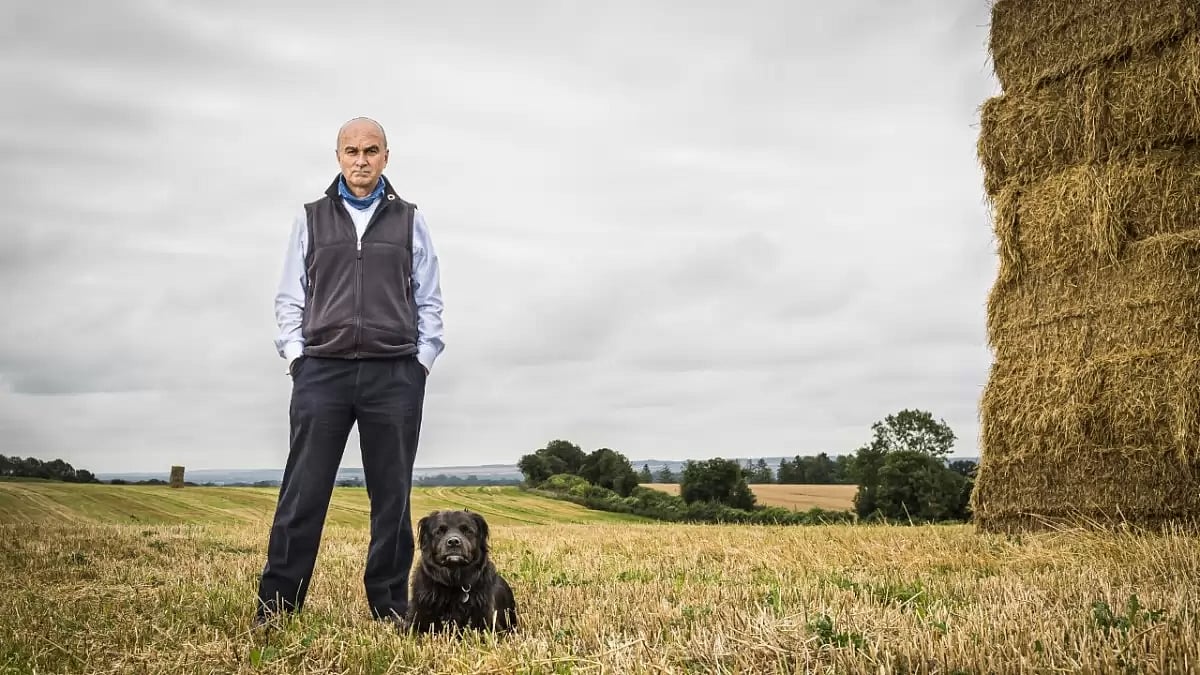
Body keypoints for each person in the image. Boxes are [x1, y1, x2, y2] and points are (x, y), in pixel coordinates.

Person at [254, 117, 444, 627]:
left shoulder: (410, 220)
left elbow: (429, 298)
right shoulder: (310, 217)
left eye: (371, 150)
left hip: (394, 375)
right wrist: (298, 358)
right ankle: (277, 608)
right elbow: (289, 295)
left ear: (386, 156)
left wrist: (420, 363)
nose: (361, 160)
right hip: (322, 373)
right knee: (303, 493)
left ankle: (389, 608)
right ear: (338, 156)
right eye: (351, 150)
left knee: (391, 501)